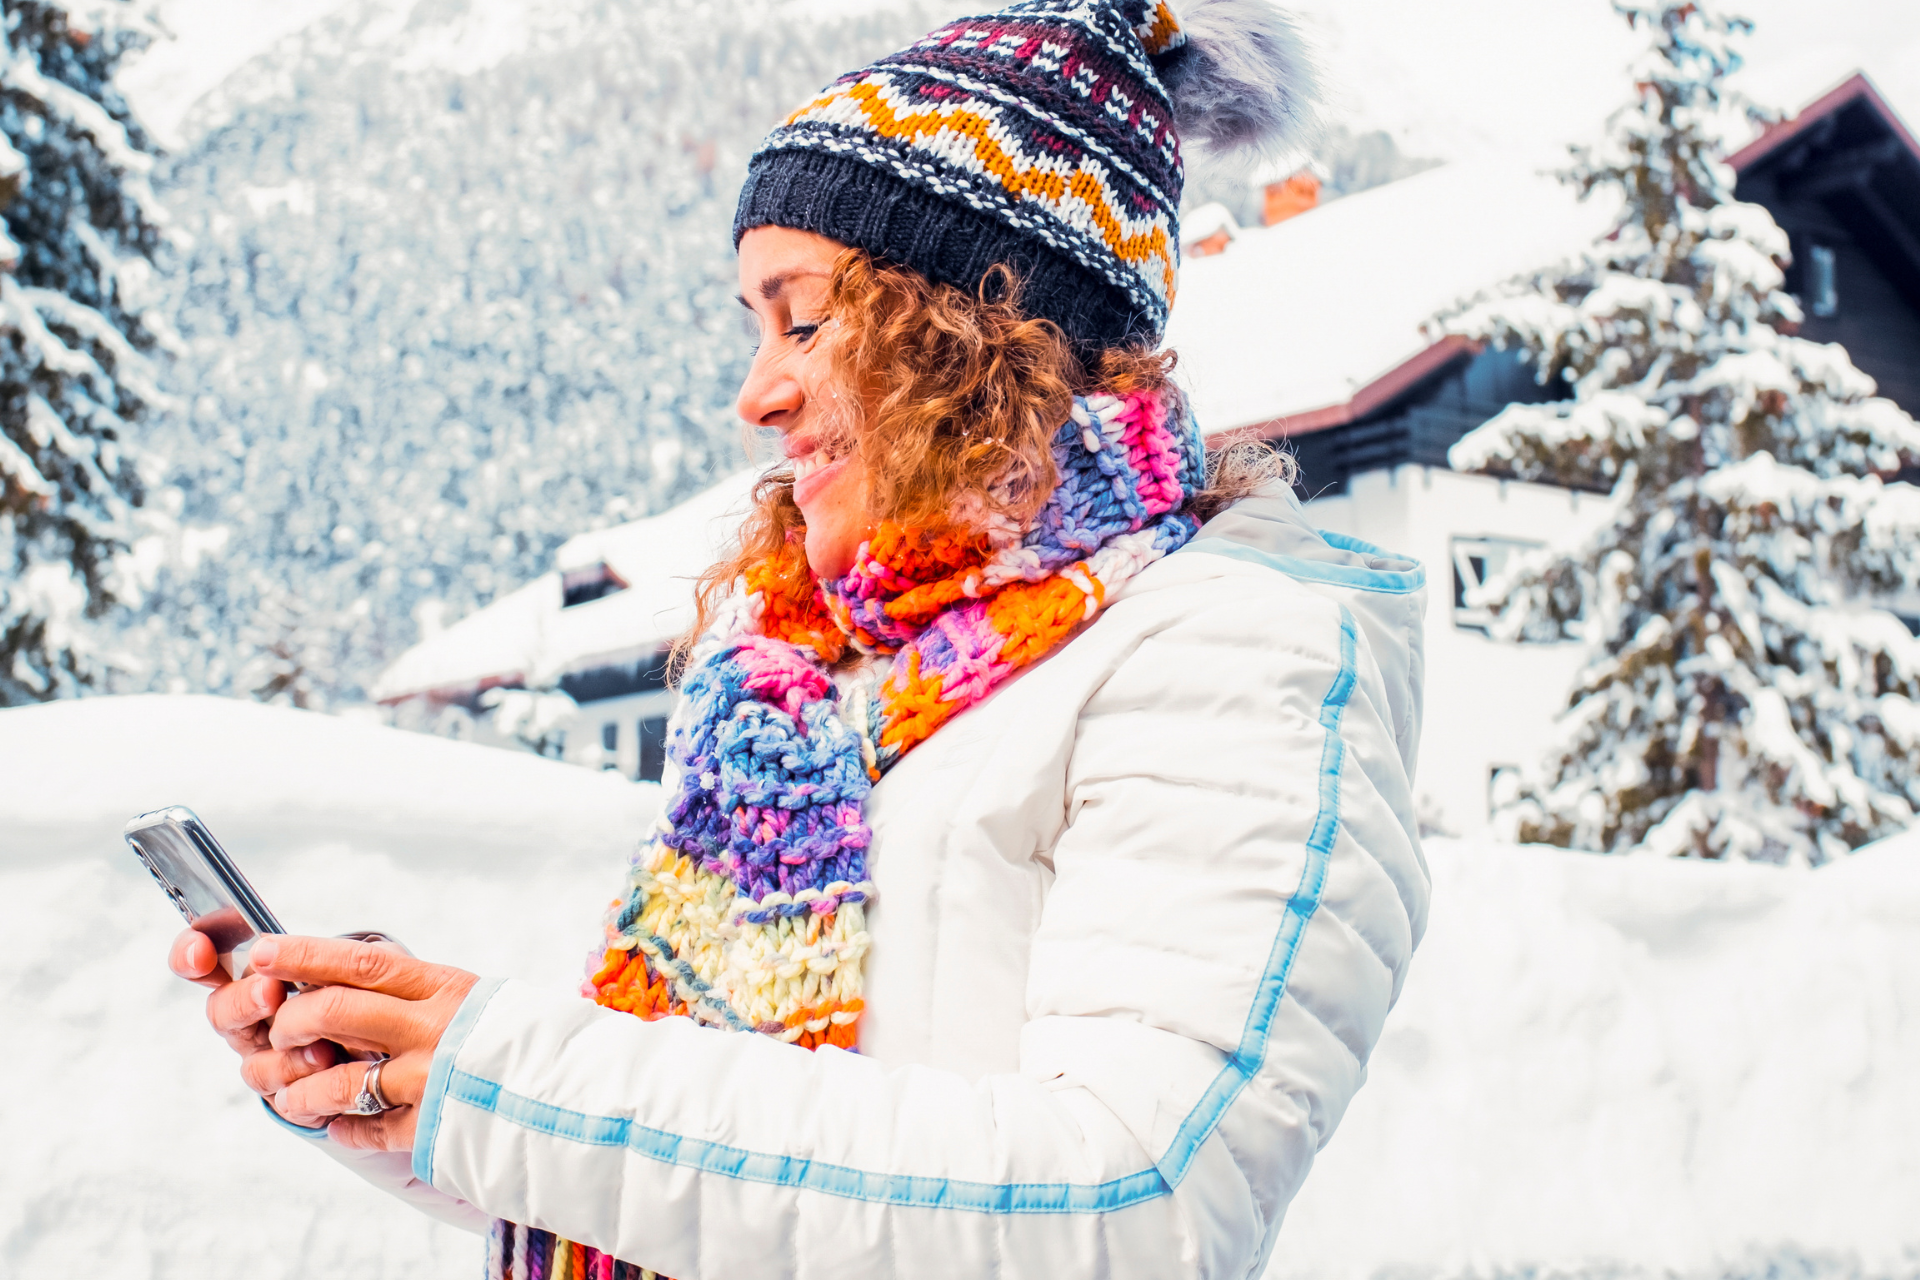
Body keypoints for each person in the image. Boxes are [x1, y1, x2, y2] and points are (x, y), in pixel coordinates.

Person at [168, 1, 1431, 1275]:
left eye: (806, 320)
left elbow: (1141, 1205)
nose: (756, 391)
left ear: (979, 324)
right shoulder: (804, 678)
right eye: (754, 324)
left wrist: (506, 1077)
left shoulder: (1236, 651)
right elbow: (721, 1176)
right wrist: (405, 1080)